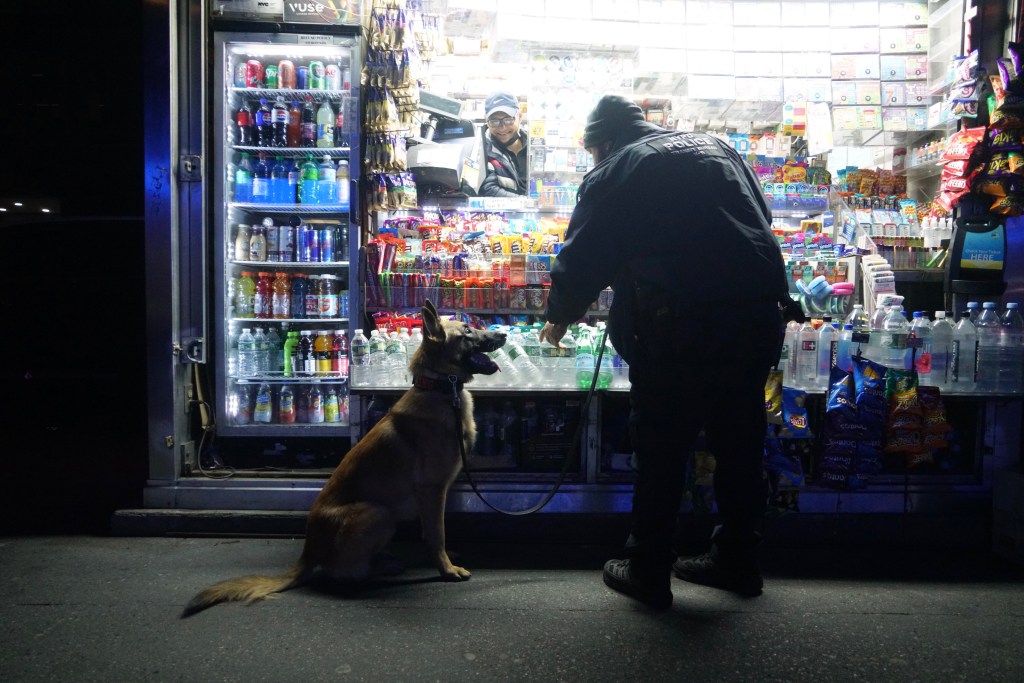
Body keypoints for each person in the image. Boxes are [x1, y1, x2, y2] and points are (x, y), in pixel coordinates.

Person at [538, 95, 800, 610]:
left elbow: (583, 254)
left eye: (592, 152)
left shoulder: (617, 168)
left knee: (661, 444)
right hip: (753, 318)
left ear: (605, 142)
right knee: (739, 441)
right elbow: (759, 220)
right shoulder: (716, 147)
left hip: (679, 325)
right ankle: (739, 560)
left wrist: (559, 316)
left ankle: (648, 567)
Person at [479, 91, 528, 197]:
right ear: (486, 120)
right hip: (499, 213)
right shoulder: (482, 150)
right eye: (494, 121)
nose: (502, 128)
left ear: (519, 116)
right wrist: (525, 202)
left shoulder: (535, 147)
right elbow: (488, 189)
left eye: (508, 120)